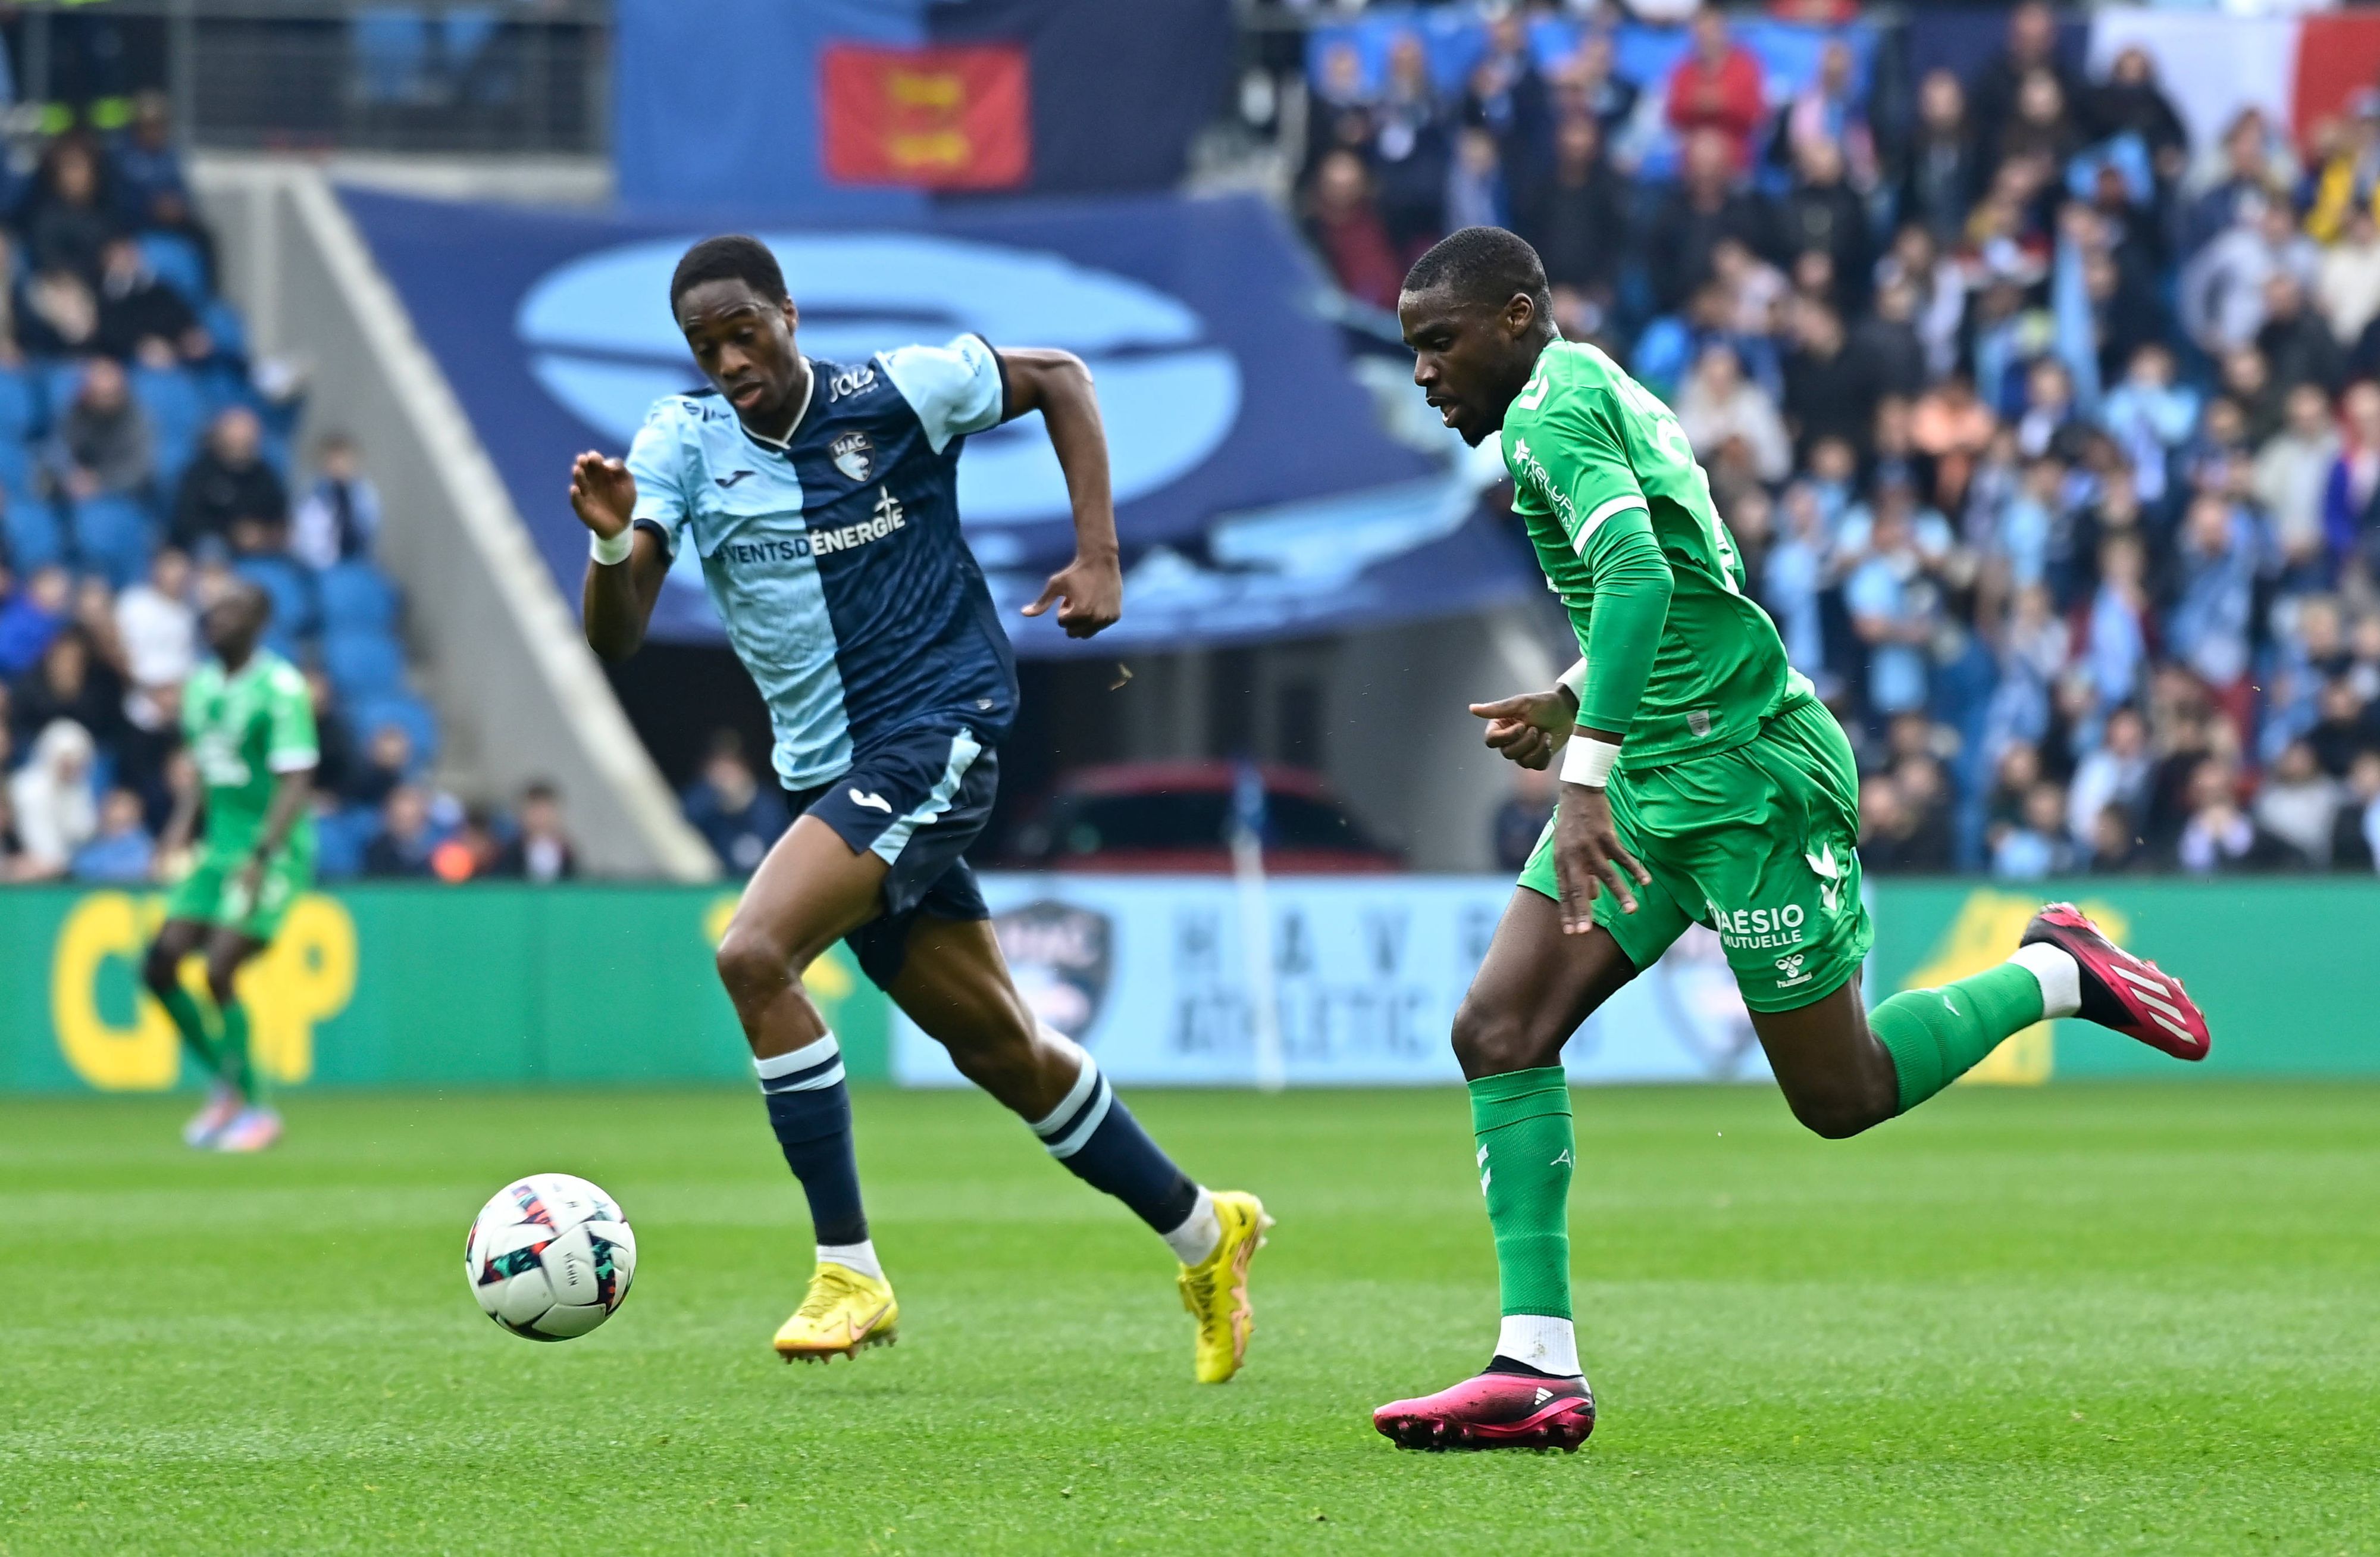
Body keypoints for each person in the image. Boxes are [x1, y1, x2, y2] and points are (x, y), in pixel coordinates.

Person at [1375, 227, 2213, 1452]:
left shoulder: (1550, 421)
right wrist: (1575, 696)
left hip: (1747, 778)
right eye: (1409, 352)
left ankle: (2056, 972)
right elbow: (1679, 574)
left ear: (1511, 318)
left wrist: (1580, 774)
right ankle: (1535, 1366)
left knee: (1839, 1095)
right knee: (1496, 1027)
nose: (1421, 373)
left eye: (1435, 343)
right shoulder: (1585, 382)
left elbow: (1648, 582)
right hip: (1662, 762)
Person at [566, 235, 1267, 1377]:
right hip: (828, 770)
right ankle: (1206, 1229)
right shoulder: (682, 443)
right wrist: (608, 538)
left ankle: (849, 1268)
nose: (731, 357)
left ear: (787, 314)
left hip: (935, 728)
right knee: (1001, 1046)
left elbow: (1064, 380)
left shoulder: (894, 393)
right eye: (707, 345)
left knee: (753, 955)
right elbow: (618, 633)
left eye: (746, 329)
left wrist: (1101, 557)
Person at [140, 580, 315, 1155]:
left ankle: (257, 1108)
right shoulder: (200, 688)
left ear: (258, 621)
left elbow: (296, 779)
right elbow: (205, 773)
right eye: (212, 609)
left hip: (272, 847)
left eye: (231, 610)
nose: (216, 618)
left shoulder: (280, 688)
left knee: (219, 968)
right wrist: (177, 827)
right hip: (217, 848)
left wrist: (264, 855)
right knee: (160, 966)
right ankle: (228, 1086)